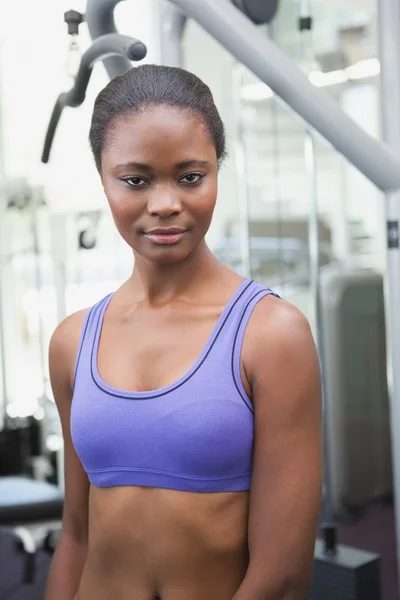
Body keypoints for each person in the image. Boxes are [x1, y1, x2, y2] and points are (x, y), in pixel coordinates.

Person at [45, 64, 322, 600]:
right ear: (103, 176)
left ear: (217, 171)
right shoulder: (71, 341)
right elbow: (76, 535)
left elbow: (283, 576)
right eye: (136, 179)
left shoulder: (271, 334)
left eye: (190, 177)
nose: (165, 203)